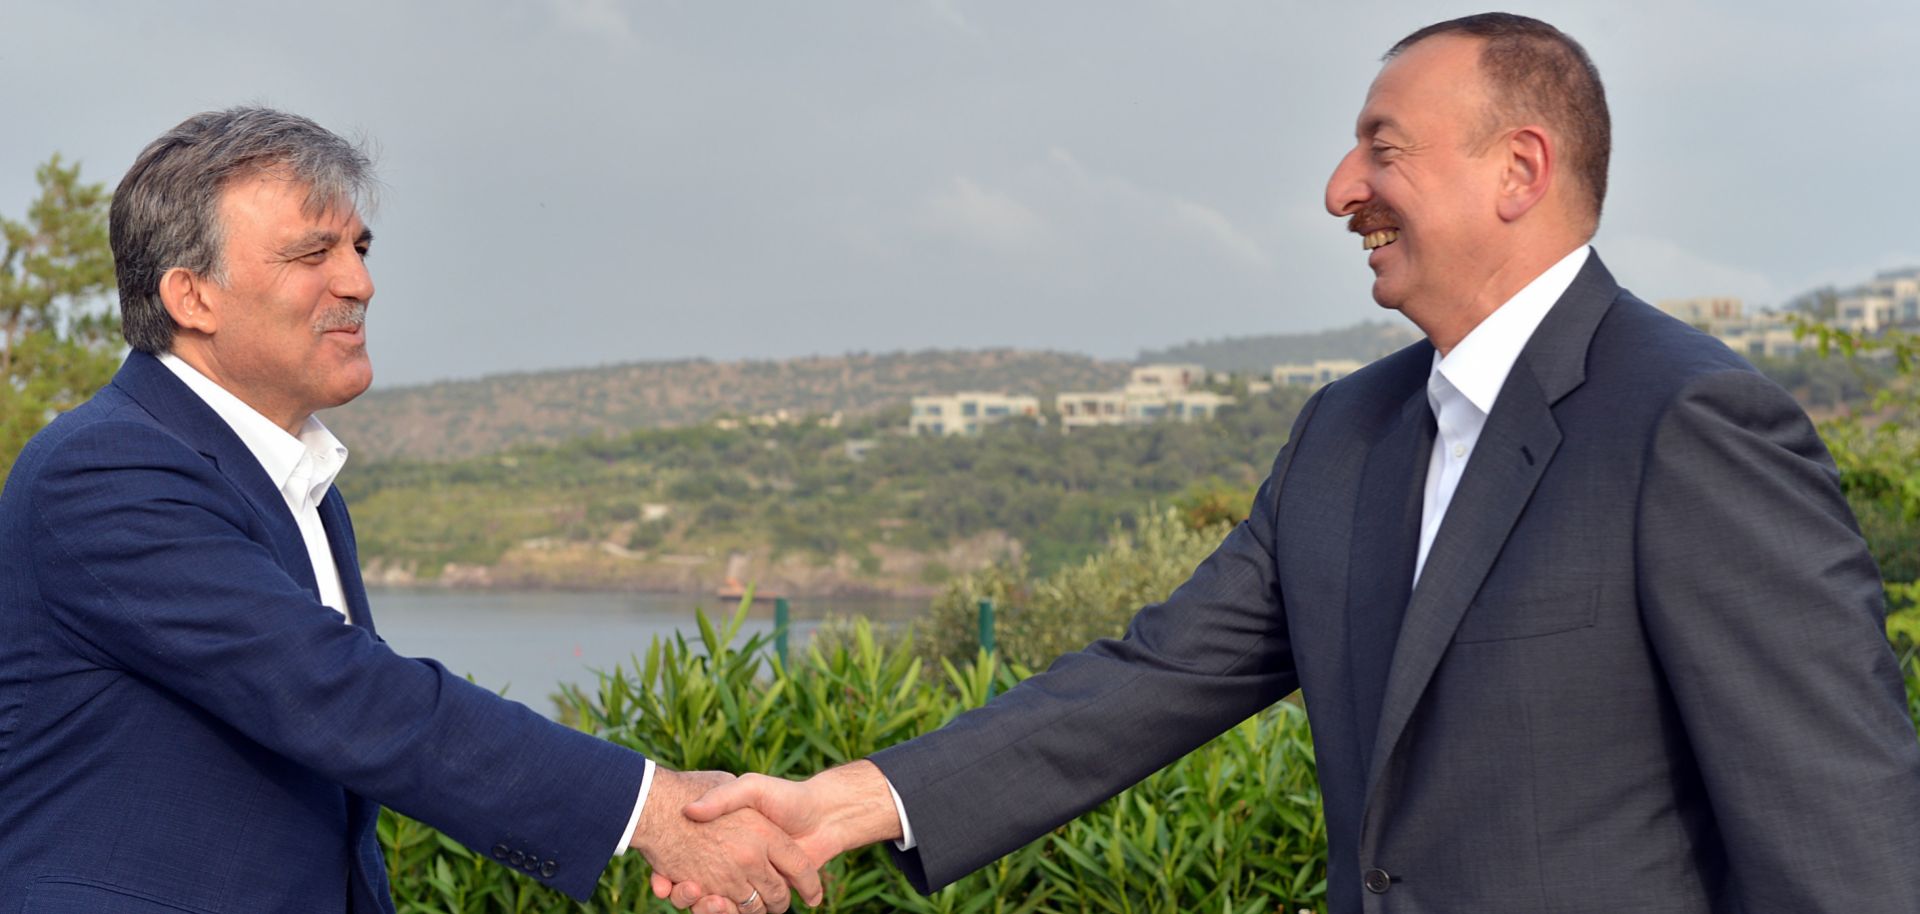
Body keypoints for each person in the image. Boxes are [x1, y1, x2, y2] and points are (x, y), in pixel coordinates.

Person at [659, 14, 1920, 914]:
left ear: (1520, 170)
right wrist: (841, 805)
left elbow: (1838, 832)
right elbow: (1149, 677)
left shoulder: (1692, 423)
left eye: (1384, 147)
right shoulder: (1345, 435)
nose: (1337, 189)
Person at [0, 107, 822, 914]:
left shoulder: (295, 482)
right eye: (311, 253)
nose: (358, 281)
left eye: (357, 247)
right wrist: (650, 811)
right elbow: (346, 699)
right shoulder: (106, 470)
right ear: (191, 297)